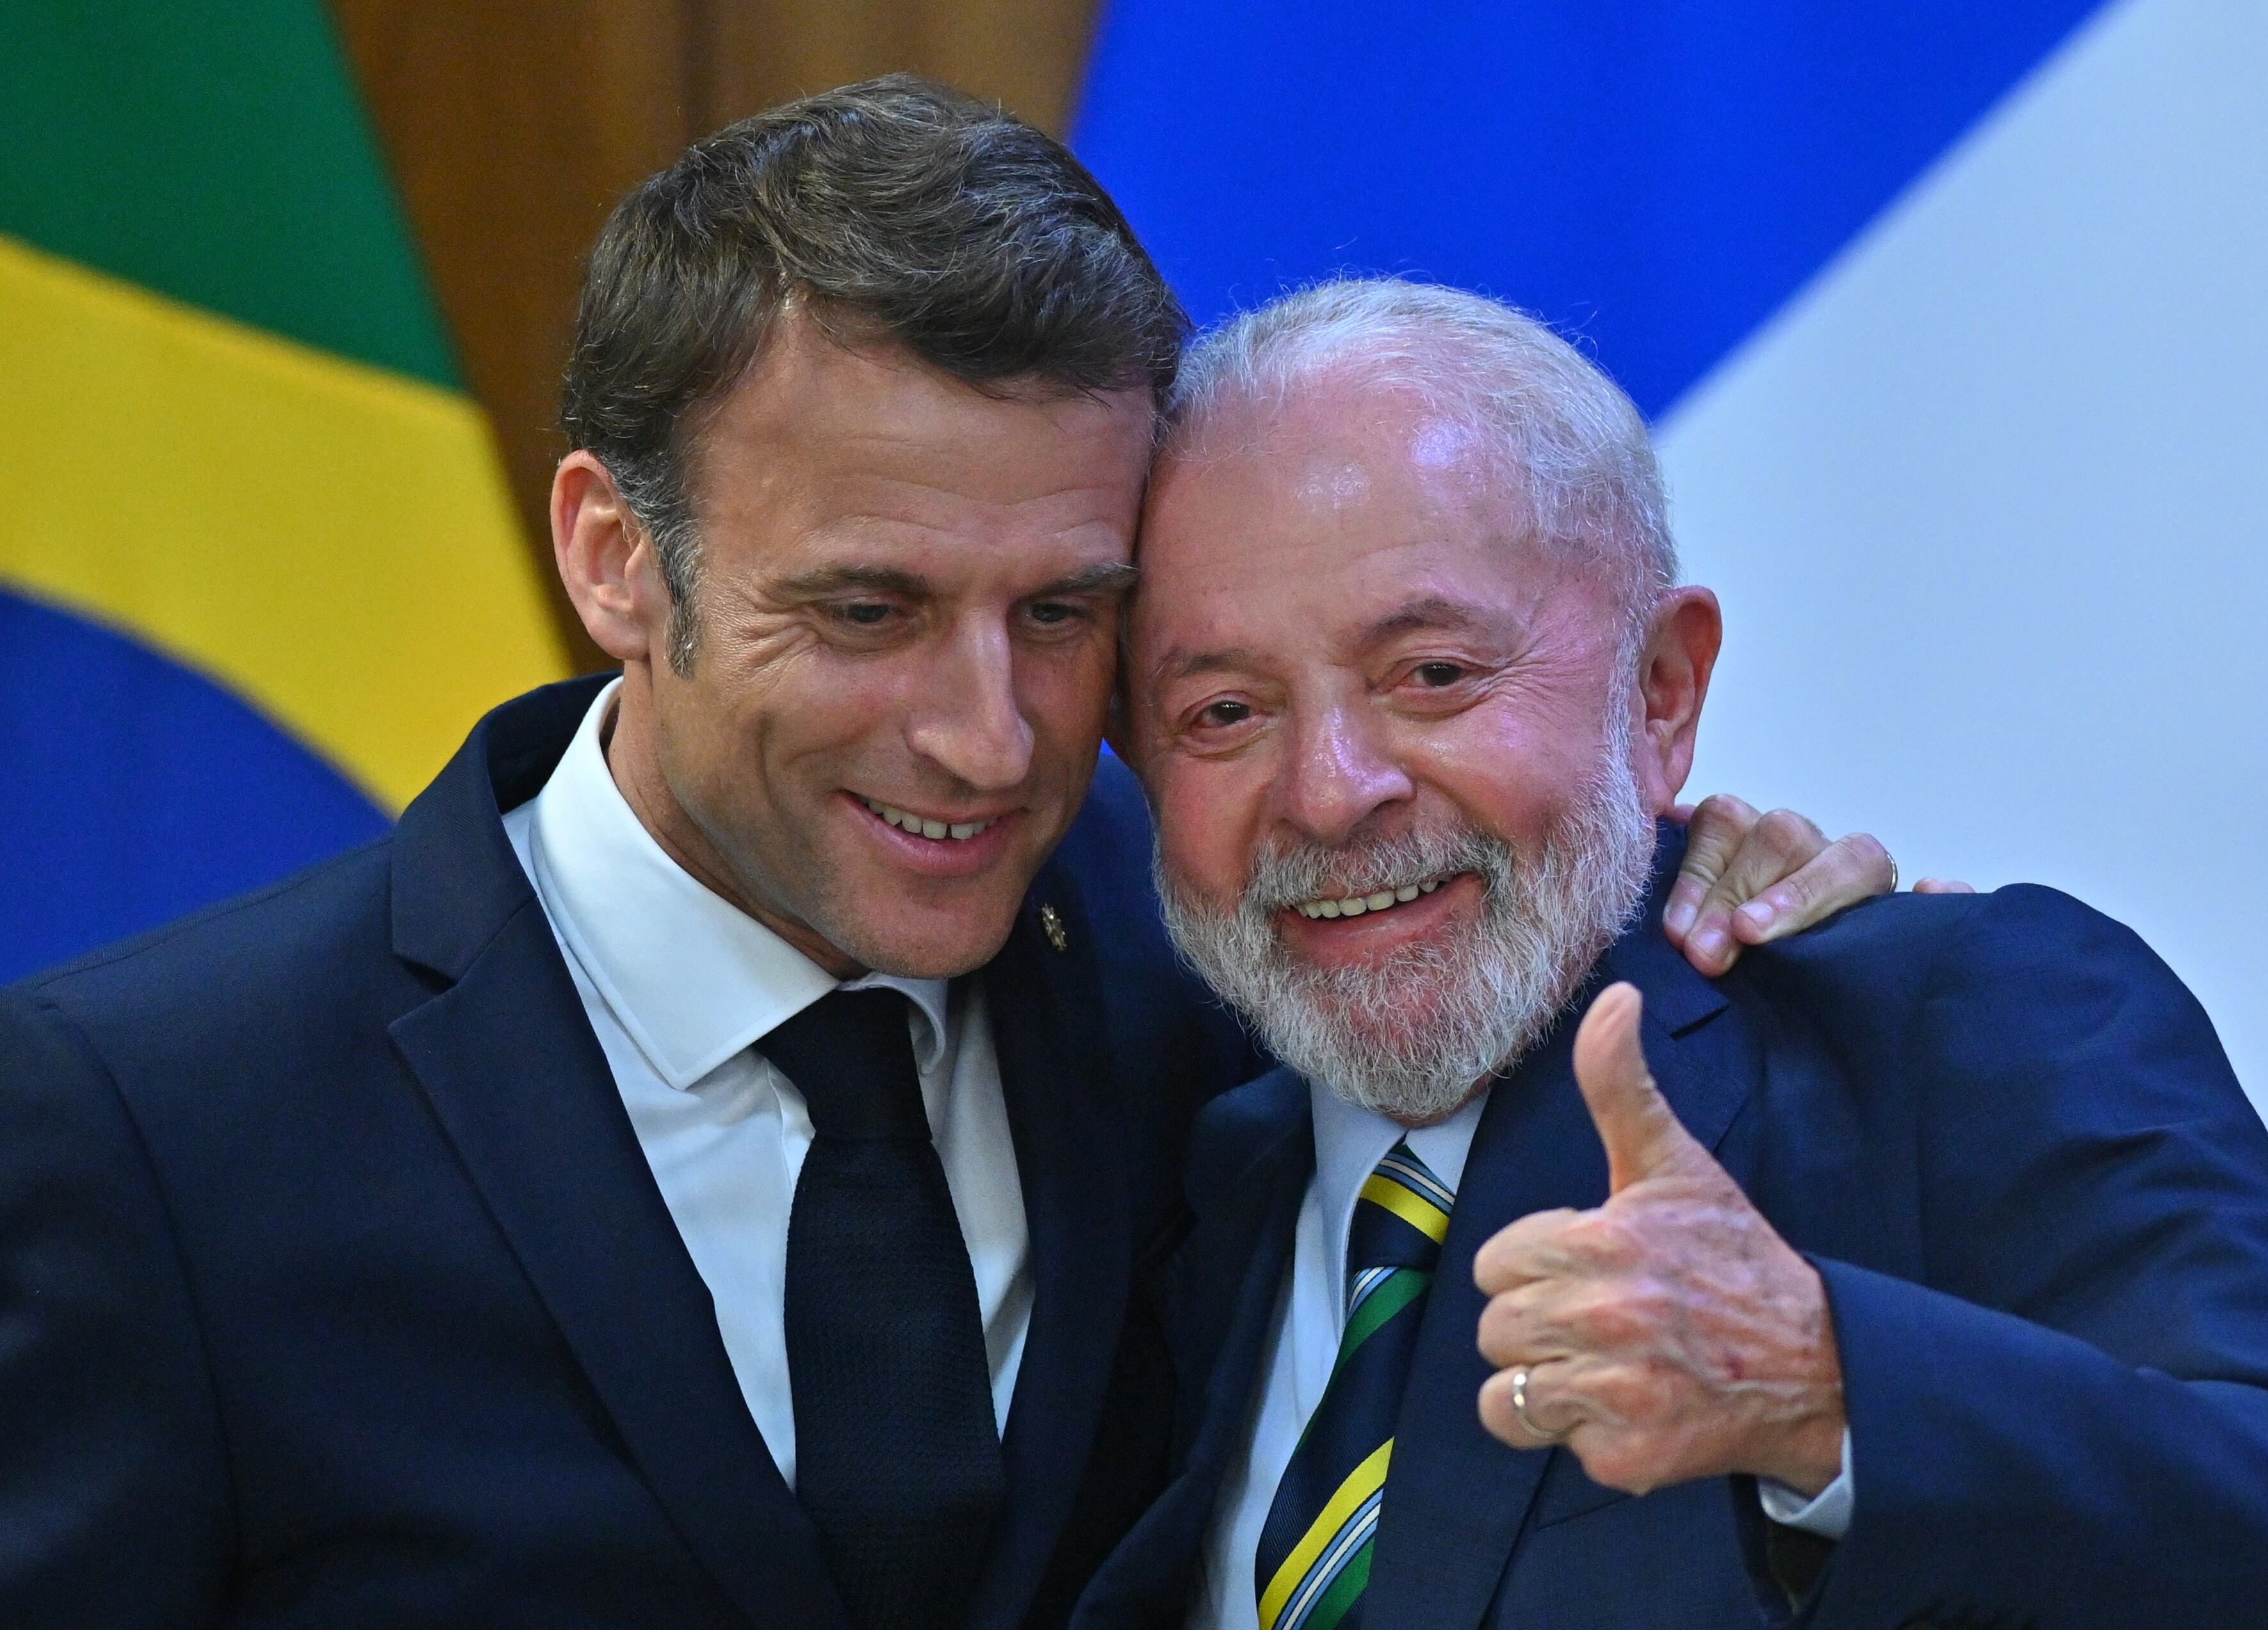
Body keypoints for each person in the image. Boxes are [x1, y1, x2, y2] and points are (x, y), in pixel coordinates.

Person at [0, 85, 1897, 1630]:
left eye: (1065, 612)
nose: (990, 739)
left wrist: (1695, 886)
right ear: (612, 558)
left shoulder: (1222, 978)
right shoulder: (148, 1122)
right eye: (865, 609)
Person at [1077, 279, 2268, 1630]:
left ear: (1660, 690)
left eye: (1432, 674)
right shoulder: (1167, 1167)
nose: (1329, 790)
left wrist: (1829, 1390)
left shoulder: (1955, 1027)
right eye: (1225, 710)